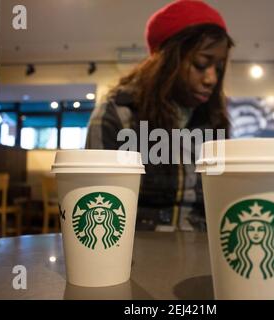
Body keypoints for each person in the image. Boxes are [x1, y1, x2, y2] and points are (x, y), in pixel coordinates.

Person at [85, 0, 234, 230]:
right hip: (135, 257)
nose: (211, 79)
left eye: (219, 67)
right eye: (201, 63)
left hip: (204, 254)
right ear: (167, 61)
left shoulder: (214, 121)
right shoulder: (117, 115)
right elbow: (97, 206)